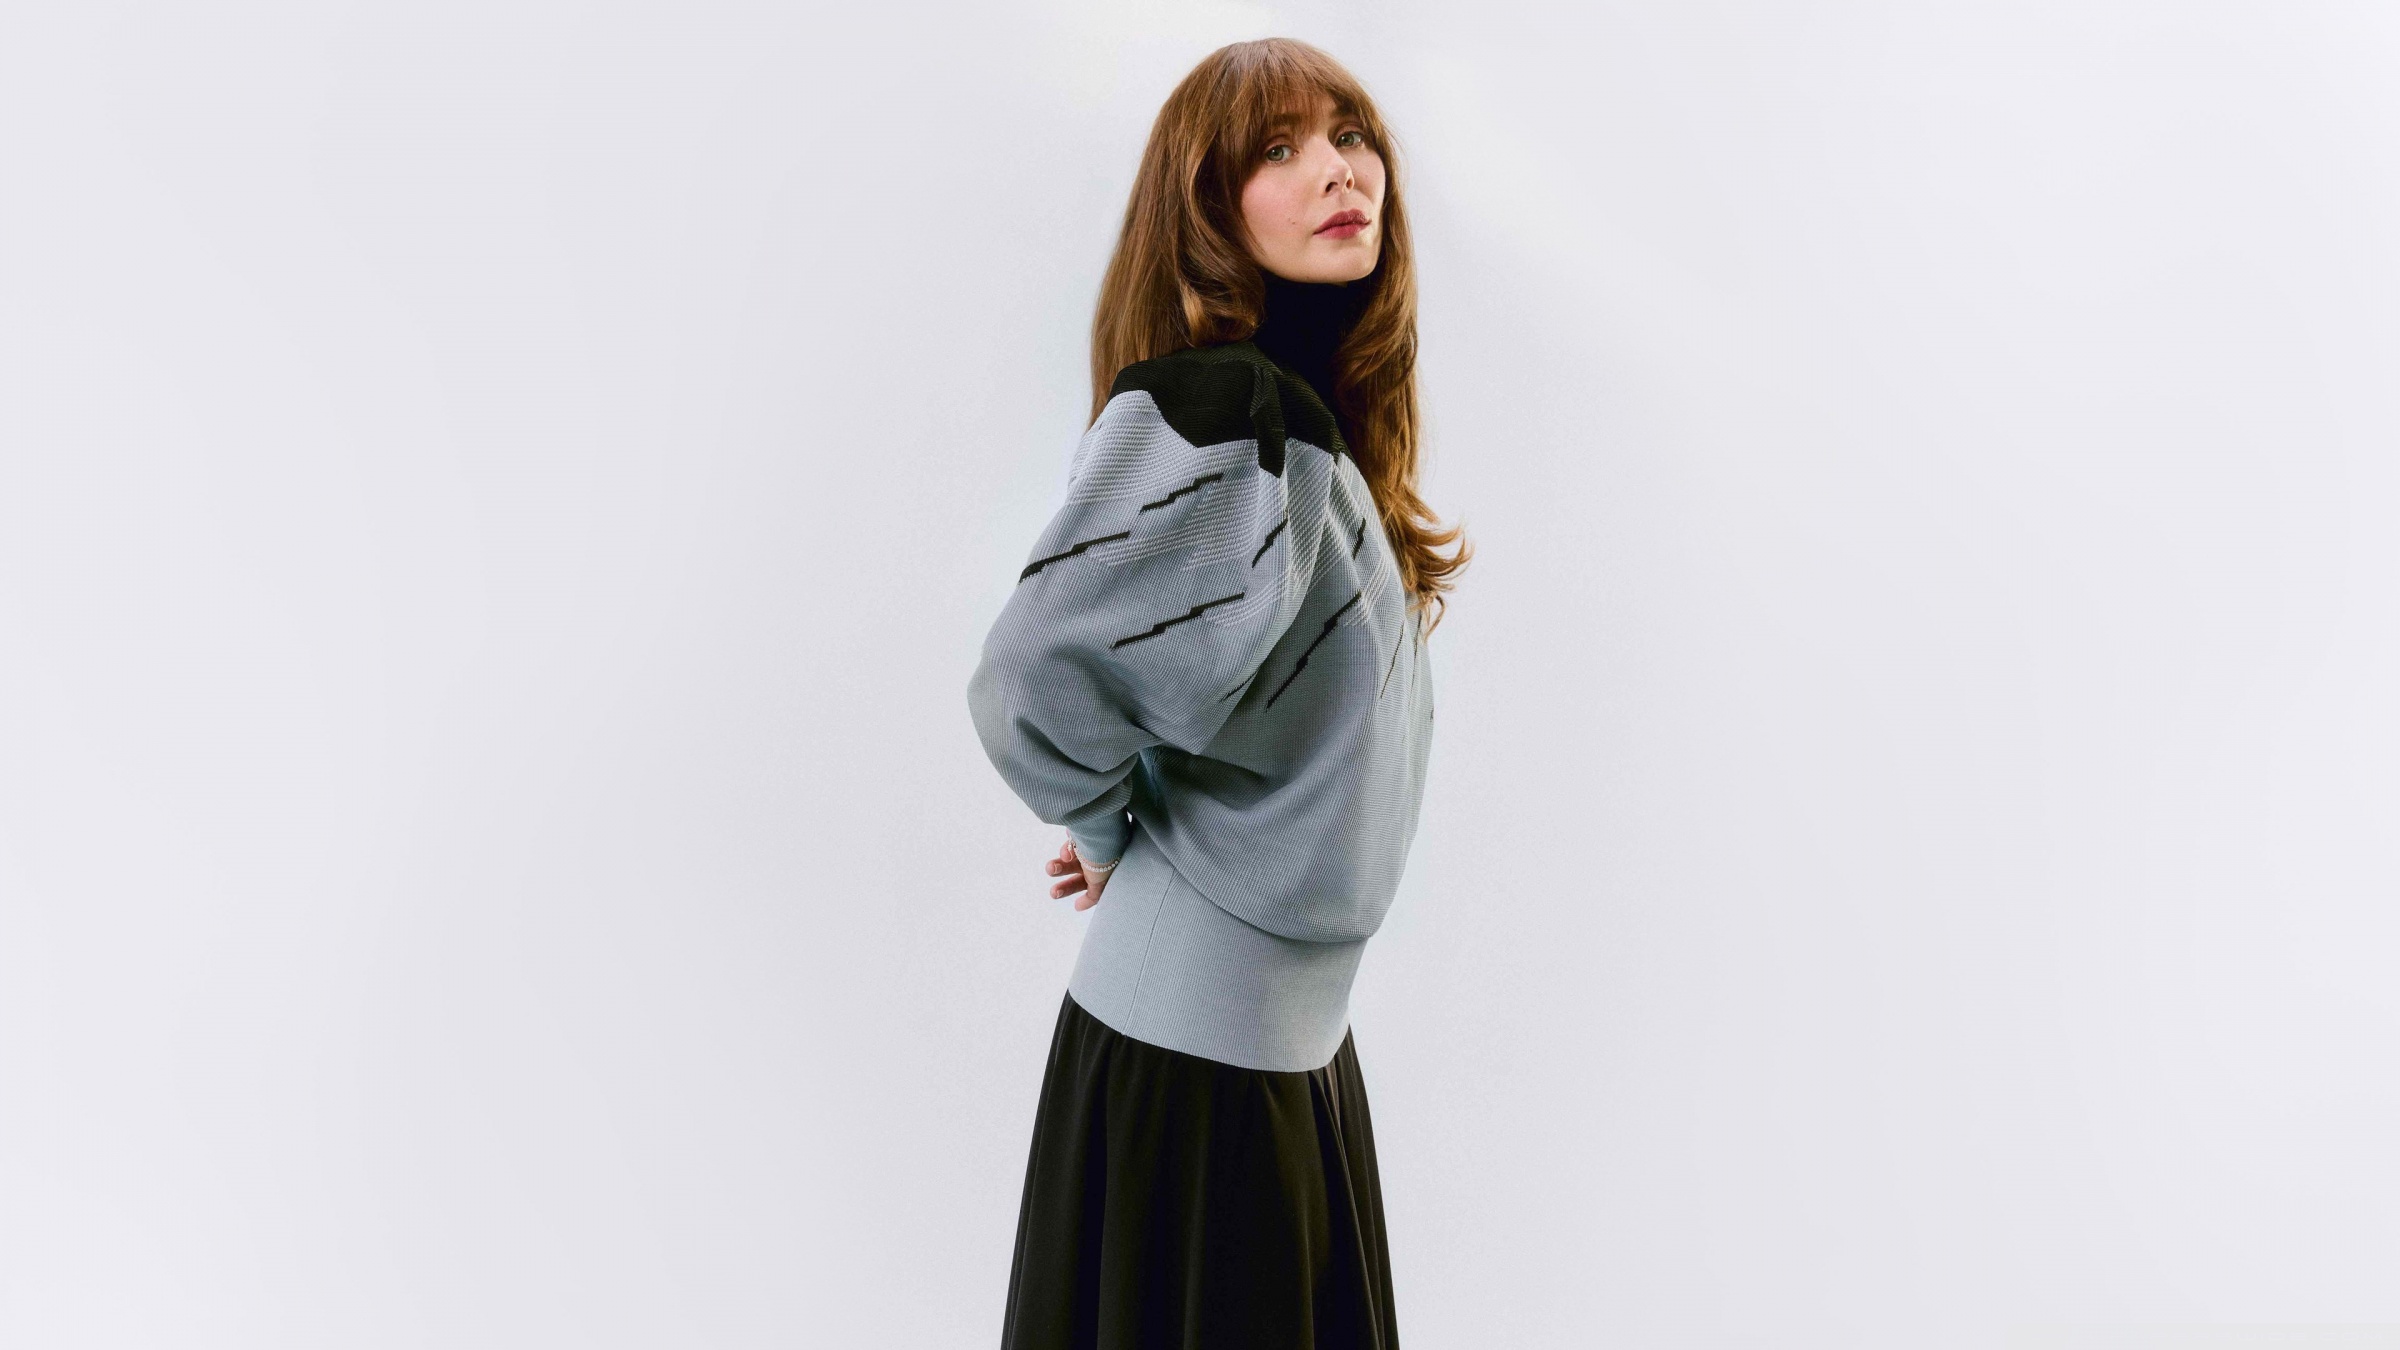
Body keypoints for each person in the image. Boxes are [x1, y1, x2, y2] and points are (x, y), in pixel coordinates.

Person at [966, 36, 1470, 1350]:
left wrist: (1122, 798)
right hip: (1199, 1064)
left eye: (1351, 135)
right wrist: (1101, 824)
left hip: (1287, 1057)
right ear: (1204, 210)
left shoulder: (1305, 430)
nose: (1340, 170)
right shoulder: (1228, 409)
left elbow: (1207, 677)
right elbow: (1033, 672)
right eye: (1280, 149)